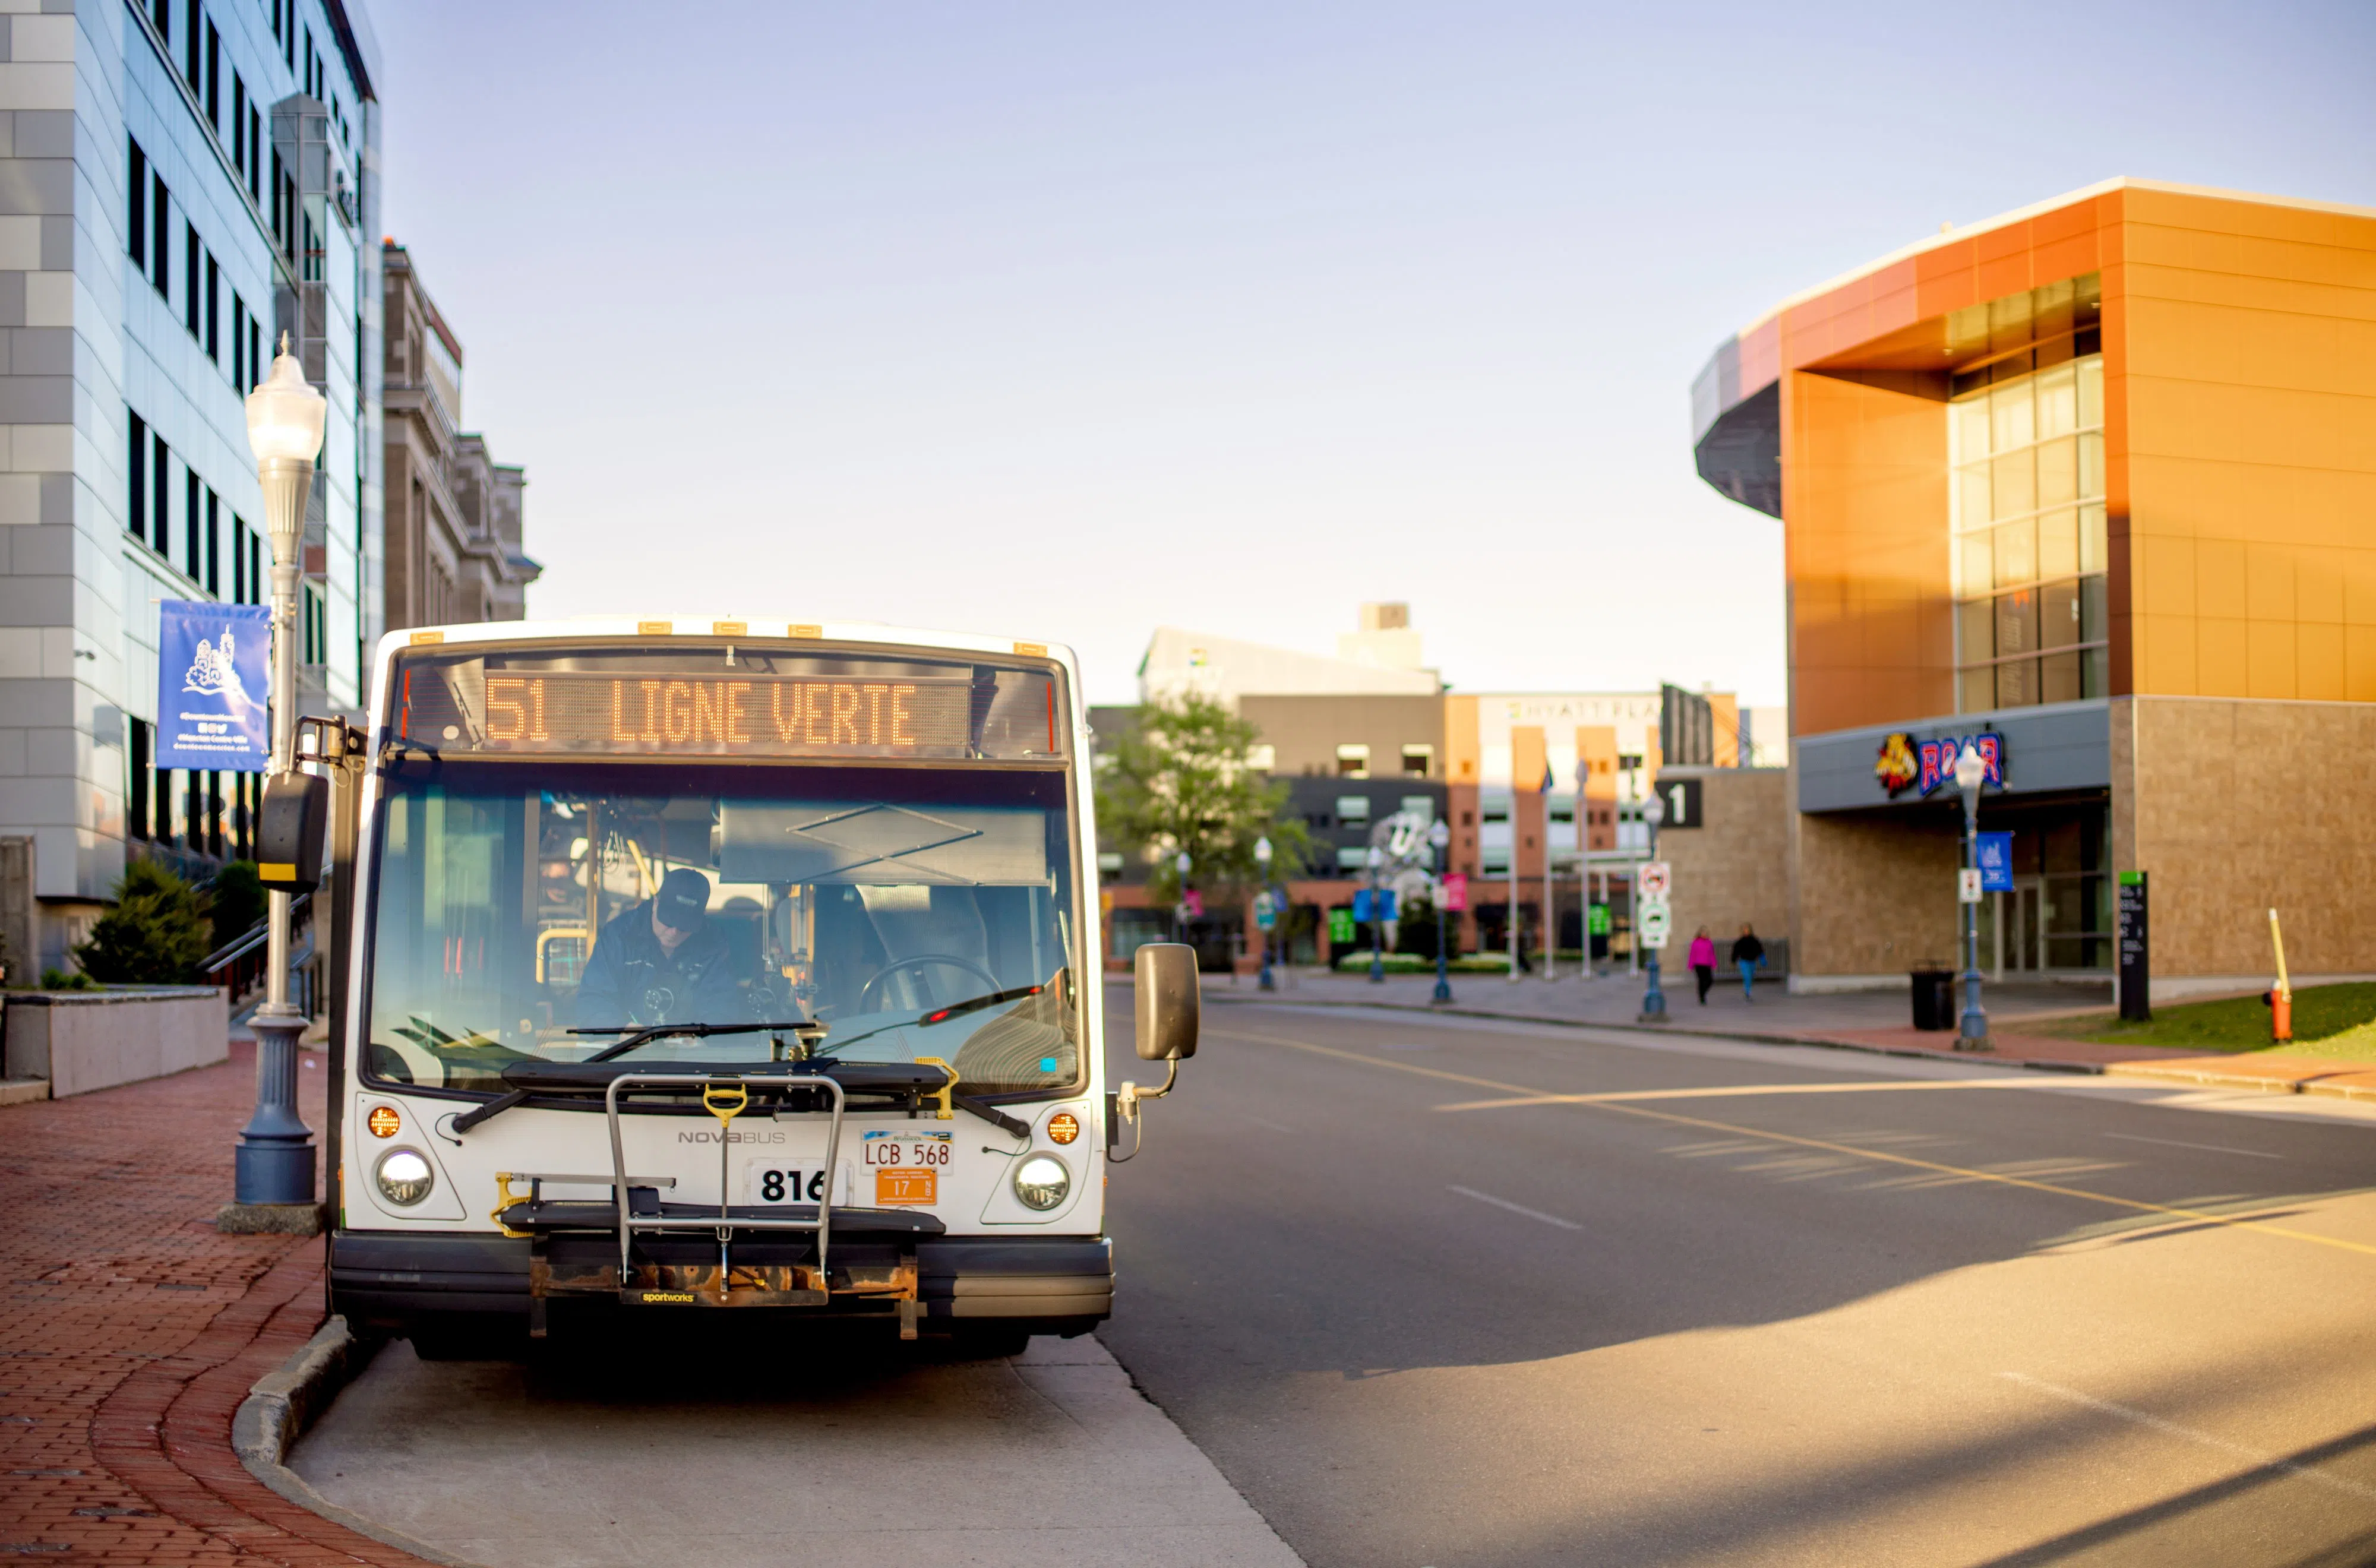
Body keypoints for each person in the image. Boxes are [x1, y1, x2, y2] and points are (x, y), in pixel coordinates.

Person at [576, 867, 746, 1028]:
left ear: (700, 920)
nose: (674, 932)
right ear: (656, 902)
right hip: (623, 1053)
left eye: (685, 926)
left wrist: (700, 1037)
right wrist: (622, 1030)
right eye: (668, 921)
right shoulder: (618, 937)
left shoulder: (713, 943)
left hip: (691, 1054)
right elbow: (592, 1001)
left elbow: (723, 1006)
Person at [1732, 922, 1766, 1002]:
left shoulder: (1754, 940)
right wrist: (1733, 961)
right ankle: (1747, 992)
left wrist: (1763, 959)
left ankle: (1748, 989)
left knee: (1750, 977)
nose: (1746, 931)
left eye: (1748, 929)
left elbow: (1760, 950)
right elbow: (1735, 952)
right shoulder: (1740, 942)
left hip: (1752, 961)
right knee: (1747, 976)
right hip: (1744, 961)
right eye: (1745, 930)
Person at [1688, 927, 1716, 1004]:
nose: (1704, 934)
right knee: (1701, 981)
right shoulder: (1695, 942)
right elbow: (1692, 955)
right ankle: (1702, 997)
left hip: (1707, 964)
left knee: (1710, 980)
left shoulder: (1709, 942)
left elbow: (1712, 954)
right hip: (1699, 965)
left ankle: (1703, 992)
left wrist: (1714, 963)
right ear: (1700, 934)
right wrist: (1691, 965)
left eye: (1706, 933)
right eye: (1703, 933)